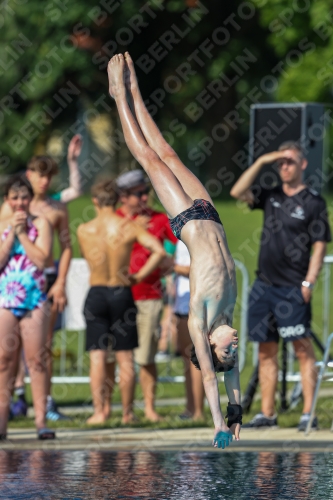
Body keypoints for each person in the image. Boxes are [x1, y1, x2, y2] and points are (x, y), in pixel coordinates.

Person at [107, 53, 241, 449]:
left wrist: (219, 421)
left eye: (228, 351)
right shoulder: (229, 316)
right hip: (209, 211)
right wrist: (238, 411)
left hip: (185, 219)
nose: (234, 346)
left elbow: (212, 378)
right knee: (167, 151)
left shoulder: (200, 323)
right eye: (234, 351)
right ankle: (134, 88)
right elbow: (231, 375)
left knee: (148, 158)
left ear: (212, 349)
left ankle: (118, 95)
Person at [230, 142, 331, 431]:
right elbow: (237, 192)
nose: (284, 167)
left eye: (289, 161)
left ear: (302, 164)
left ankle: (308, 414)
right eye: (280, 163)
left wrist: (309, 281)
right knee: (265, 351)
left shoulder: (313, 201)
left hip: (293, 287)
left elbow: (320, 245)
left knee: (302, 348)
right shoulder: (270, 196)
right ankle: (267, 414)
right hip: (264, 286)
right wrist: (263, 160)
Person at [0, 135, 82, 421]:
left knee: (40, 347)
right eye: (40, 175)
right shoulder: (14, 206)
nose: (44, 182)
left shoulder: (55, 207)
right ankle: (14, 399)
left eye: (49, 176)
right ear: (29, 175)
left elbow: (68, 247)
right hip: (15, 281)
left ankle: (43, 404)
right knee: (9, 349)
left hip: (44, 278)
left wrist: (60, 281)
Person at [77, 179, 166, 424]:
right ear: (117, 200)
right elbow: (158, 250)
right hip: (121, 292)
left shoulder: (84, 230)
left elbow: (86, 256)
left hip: (96, 292)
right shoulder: (128, 227)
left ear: (94, 201)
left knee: (97, 356)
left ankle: (100, 412)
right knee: (124, 357)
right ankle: (127, 413)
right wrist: (138, 276)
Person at [116, 169, 177, 422]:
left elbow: (174, 253)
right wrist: (130, 229)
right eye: (138, 194)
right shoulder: (114, 219)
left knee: (146, 356)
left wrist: (167, 268)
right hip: (118, 296)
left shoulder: (160, 219)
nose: (144, 198)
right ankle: (125, 412)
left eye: (145, 192)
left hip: (149, 295)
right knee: (118, 357)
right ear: (123, 197)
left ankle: (150, 409)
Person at [0, 175, 55, 440]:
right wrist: (11, 234)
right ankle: (1, 424)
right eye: (15, 197)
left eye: (24, 197)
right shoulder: (1, 225)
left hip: (34, 299)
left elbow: (43, 260)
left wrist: (23, 233)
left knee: (37, 361)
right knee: (3, 361)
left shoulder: (41, 224)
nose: (20, 202)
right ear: (7, 200)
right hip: (6, 299)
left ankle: (41, 421)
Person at [174, 240, 205, 420]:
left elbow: (201, 269)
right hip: (182, 305)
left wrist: (173, 267)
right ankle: (191, 407)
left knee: (196, 358)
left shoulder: (199, 232)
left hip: (195, 304)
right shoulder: (182, 233)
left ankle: (199, 411)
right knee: (187, 358)